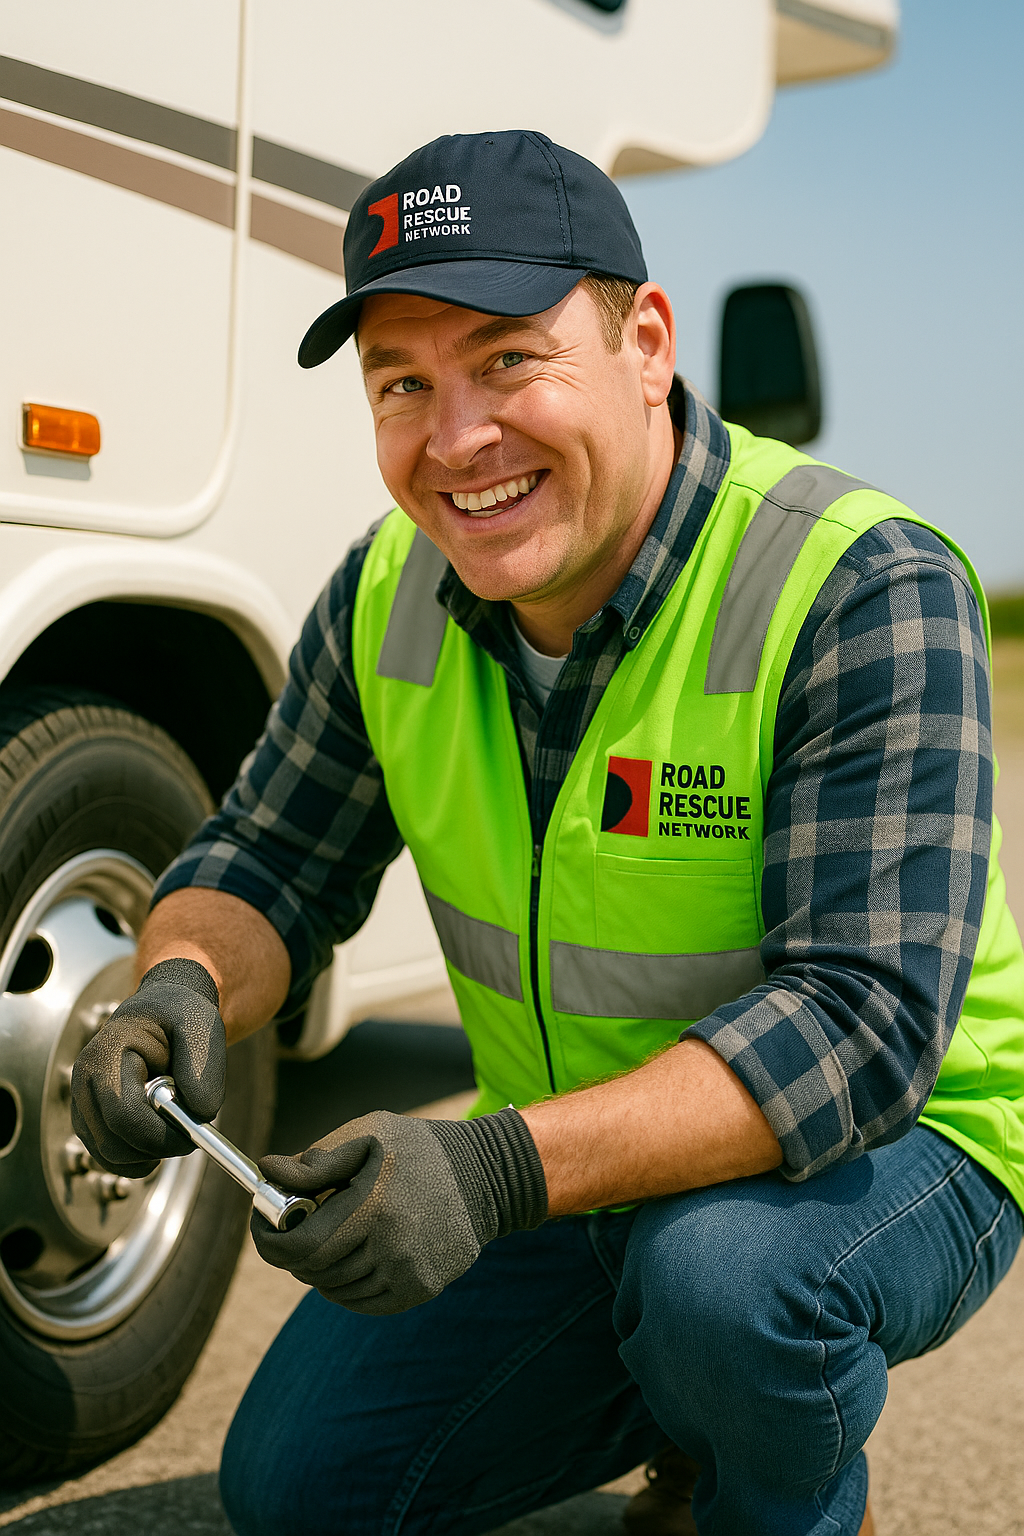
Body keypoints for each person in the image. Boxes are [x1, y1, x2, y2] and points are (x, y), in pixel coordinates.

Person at [70, 130, 1024, 1536]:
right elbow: (267, 861)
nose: (457, 439)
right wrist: (178, 986)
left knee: (725, 1286)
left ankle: (761, 1483)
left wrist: (499, 1169)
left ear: (644, 342)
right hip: (593, 1160)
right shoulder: (386, 592)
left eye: (509, 359)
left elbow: (861, 1027)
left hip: (901, 1151)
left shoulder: (860, 583)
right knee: (303, 1491)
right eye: (404, 383)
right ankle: (683, 1382)